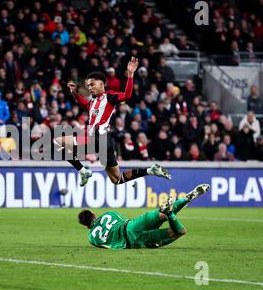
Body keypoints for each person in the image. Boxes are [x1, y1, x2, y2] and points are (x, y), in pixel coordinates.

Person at [58, 57, 170, 187]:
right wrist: (75, 93)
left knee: (59, 142)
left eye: (92, 84)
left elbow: (127, 95)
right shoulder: (93, 102)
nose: (90, 88)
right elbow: (84, 103)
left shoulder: (109, 96)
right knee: (117, 179)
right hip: (105, 142)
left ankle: (83, 171)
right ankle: (150, 170)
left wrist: (130, 75)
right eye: (88, 85)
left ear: (101, 84)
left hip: (98, 137)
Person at [78, 184, 210, 249]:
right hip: (131, 224)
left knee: (180, 231)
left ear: (86, 226)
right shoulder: (109, 214)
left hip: (132, 240)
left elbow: (107, 245)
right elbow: (123, 220)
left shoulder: (91, 238)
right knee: (161, 214)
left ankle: (170, 214)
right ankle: (185, 199)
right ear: (94, 214)